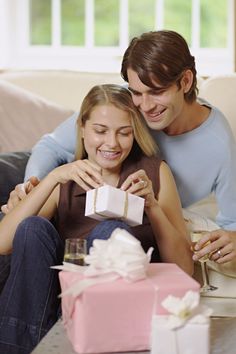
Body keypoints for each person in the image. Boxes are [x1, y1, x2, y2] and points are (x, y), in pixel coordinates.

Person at [2, 30, 236, 263]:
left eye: (156, 92)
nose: (144, 106)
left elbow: (232, 226)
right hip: (63, 173)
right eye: (136, 92)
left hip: (101, 201)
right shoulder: (127, 101)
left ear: (185, 82)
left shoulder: (219, 146)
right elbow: (50, 147)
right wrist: (29, 188)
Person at [0, 84, 192, 353]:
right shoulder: (65, 178)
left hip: (110, 319)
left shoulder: (154, 173)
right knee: (32, 227)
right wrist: (53, 177)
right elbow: (3, 243)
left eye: (124, 133)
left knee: (110, 231)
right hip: (50, 313)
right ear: (81, 128)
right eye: (100, 131)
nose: (112, 143)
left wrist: (153, 207)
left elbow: (184, 269)